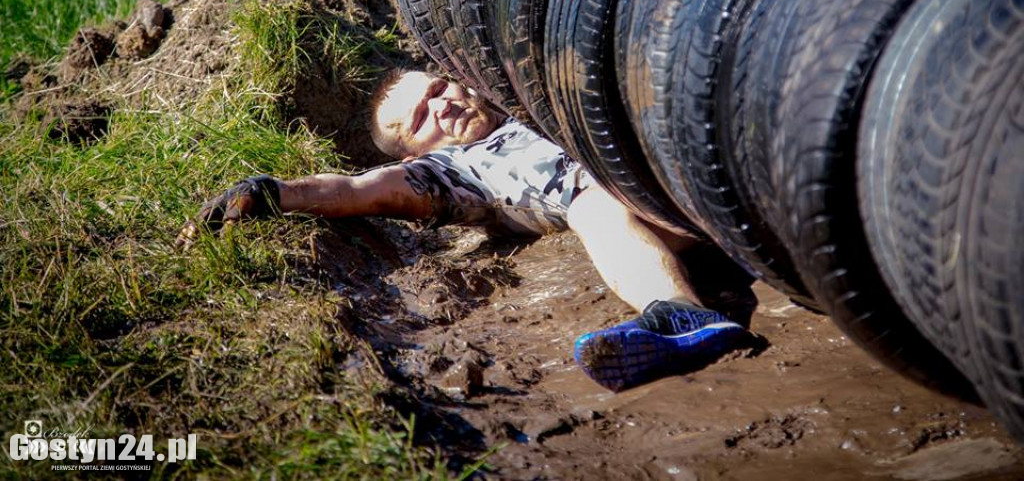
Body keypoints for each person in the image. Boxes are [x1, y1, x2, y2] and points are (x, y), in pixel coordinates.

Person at [178, 69, 755, 391]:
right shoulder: (456, 172)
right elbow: (358, 191)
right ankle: (682, 314)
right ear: (415, 153)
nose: (441, 108)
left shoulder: (521, 85)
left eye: (436, 91)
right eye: (422, 120)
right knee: (594, 205)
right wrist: (276, 193)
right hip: (633, 200)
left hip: (690, 154)